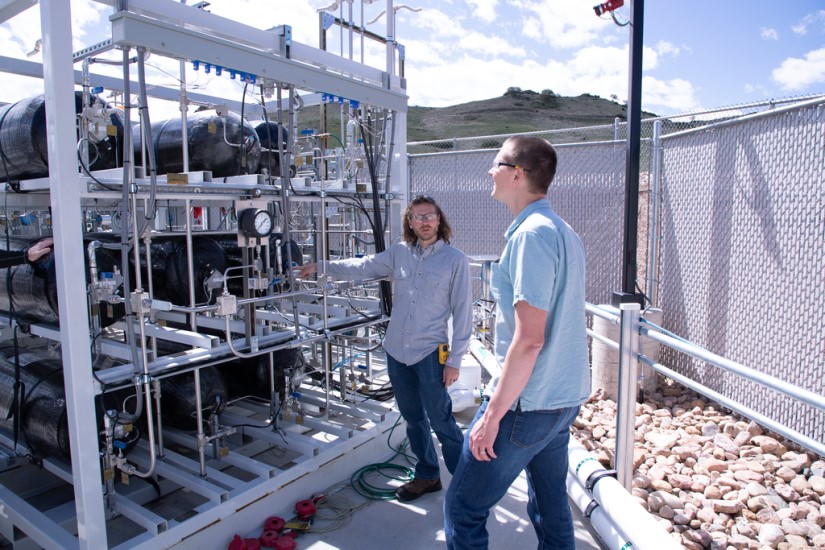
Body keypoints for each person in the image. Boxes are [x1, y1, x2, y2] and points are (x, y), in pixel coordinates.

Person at [444, 136, 590, 549]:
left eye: (496, 163)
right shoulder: (563, 231)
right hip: (563, 400)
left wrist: (491, 416)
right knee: (550, 506)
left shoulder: (531, 236)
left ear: (517, 174)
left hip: (528, 405)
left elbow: (529, 340)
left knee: (463, 508)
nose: (490, 171)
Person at [298, 196, 472, 501]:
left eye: (429, 216)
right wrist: (322, 266)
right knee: (413, 418)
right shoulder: (400, 253)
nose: (425, 222)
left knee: (442, 420)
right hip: (396, 352)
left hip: (430, 353)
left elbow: (463, 313)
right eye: (418, 218)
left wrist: (455, 360)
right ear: (409, 222)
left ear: (439, 219)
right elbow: (363, 266)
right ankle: (428, 475)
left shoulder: (455, 260)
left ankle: (467, 487)